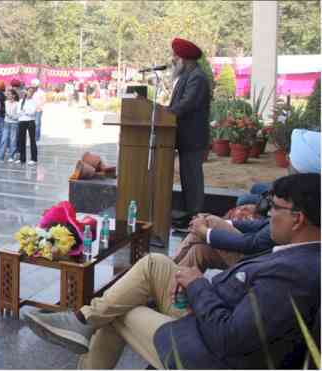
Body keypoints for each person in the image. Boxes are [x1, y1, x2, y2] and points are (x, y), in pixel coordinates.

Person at [25, 172, 321, 369]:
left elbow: (229, 338)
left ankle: (85, 321)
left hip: (208, 351)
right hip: (210, 314)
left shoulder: (294, 274)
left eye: (275, 209)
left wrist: (198, 286)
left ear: (297, 219)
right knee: (157, 263)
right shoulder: (299, 255)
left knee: (119, 313)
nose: (268, 216)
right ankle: (82, 321)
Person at [168, 38, 212, 228]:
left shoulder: (197, 77)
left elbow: (186, 104)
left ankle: (196, 219)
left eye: (175, 56)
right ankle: (190, 218)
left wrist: (166, 113)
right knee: (187, 178)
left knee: (193, 179)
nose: (172, 59)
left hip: (193, 139)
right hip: (185, 138)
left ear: (184, 59)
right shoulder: (187, 76)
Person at [172, 212, 274, 272]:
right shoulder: (281, 220)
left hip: (254, 265)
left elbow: (250, 244)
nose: (271, 211)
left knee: (209, 220)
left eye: (275, 207)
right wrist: (224, 223)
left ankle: (171, 265)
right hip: (251, 258)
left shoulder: (282, 231)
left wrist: (205, 231)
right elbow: (259, 225)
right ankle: (171, 285)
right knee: (199, 251)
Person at [0, 89, 20, 163]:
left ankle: (11, 156)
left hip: (14, 123)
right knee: (4, 139)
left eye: (9, 94)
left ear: (14, 95)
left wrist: (11, 116)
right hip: (6, 123)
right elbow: (5, 112)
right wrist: (9, 115)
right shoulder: (5, 102)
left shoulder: (17, 104)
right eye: (8, 94)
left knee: (13, 140)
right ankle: (0, 157)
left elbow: (18, 115)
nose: (8, 95)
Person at [17, 87, 38, 165]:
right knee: (21, 140)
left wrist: (25, 111)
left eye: (32, 92)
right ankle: (22, 158)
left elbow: (32, 112)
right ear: (26, 92)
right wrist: (26, 112)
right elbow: (18, 111)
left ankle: (34, 159)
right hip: (22, 121)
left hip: (30, 121)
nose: (31, 93)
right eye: (29, 91)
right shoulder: (21, 101)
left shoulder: (34, 101)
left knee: (32, 140)